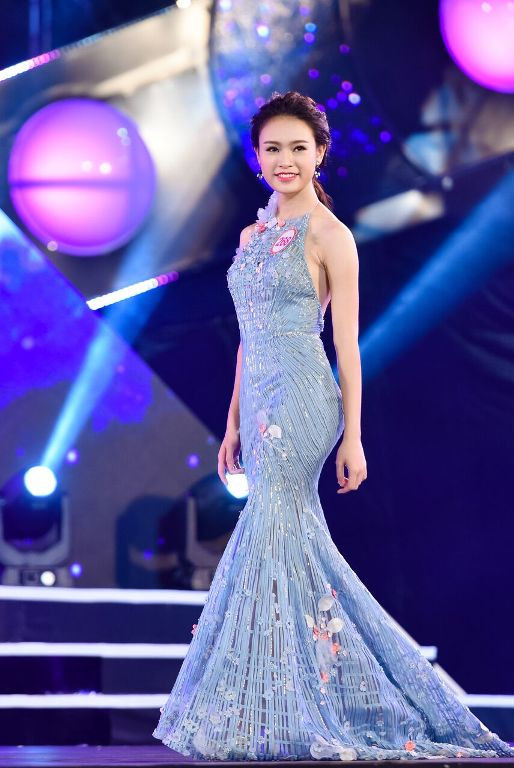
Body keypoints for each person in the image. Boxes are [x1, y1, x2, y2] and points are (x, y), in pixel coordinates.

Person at [153, 91, 514, 761]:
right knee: (289, 546)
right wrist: (231, 422)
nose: (285, 160)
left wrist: (353, 435)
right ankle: (286, 705)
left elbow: (347, 347)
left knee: (271, 534)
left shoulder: (330, 235)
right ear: (258, 157)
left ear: (320, 153)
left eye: (298, 147)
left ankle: (280, 707)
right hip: (258, 400)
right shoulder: (250, 239)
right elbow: (247, 339)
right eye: (273, 148)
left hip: (304, 399)